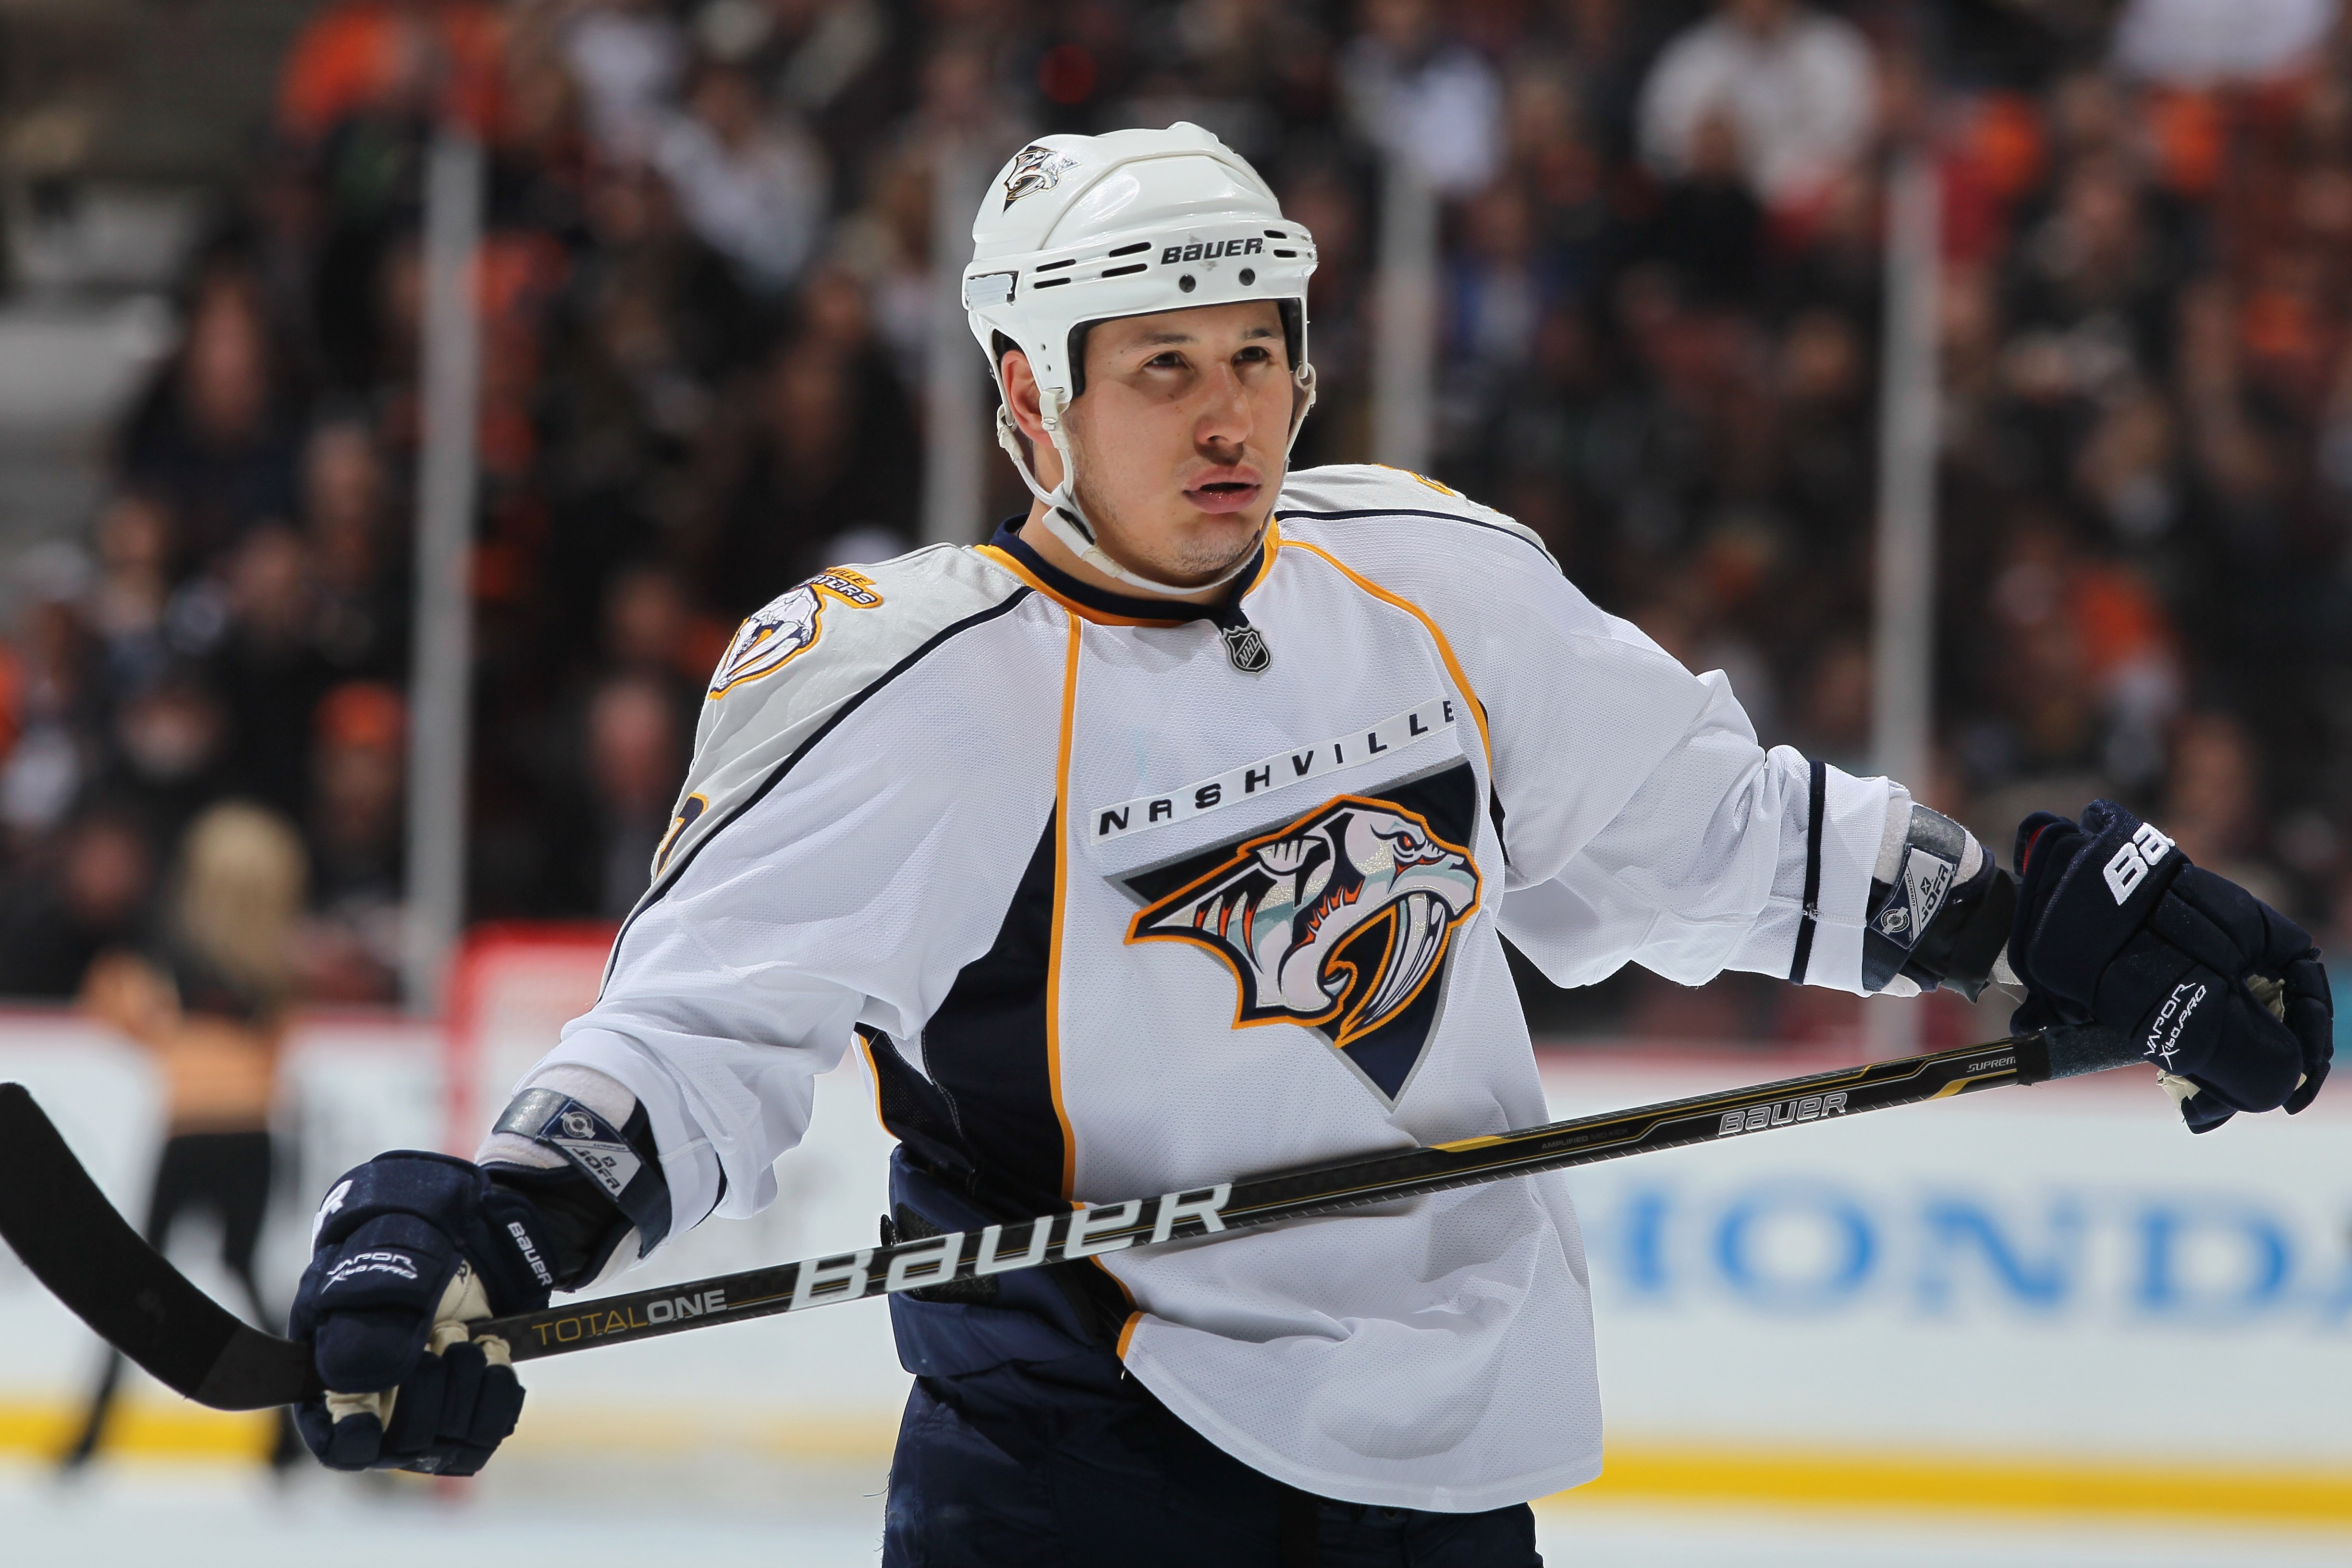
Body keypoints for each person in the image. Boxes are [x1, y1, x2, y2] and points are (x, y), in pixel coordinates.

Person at [285, 126, 2333, 1562]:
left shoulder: (1431, 576)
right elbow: (703, 1038)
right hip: (1075, 1460)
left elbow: (1708, 829)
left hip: (1445, 1450)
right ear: (1034, 396)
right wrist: (502, 1224)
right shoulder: (917, 682)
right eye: (1159, 367)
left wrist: (2040, 917)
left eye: (1254, 352)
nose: (1225, 415)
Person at [62, 801, 308, 1470]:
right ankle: (292, 1426)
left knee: (142, 1283)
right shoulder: (266, 974)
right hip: (248, 1136)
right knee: (243, 1274)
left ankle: (92, 1432)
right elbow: (277, 1045)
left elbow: (118, 1006)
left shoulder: (181, 961)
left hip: (197, 1133)